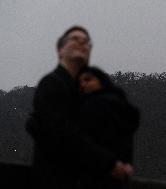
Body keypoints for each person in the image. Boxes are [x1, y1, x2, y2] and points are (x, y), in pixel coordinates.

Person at [26, 26, 133, 189]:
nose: (82, 43)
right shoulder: (52, 83)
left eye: (86, 42)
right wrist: (110, 164)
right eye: (75, 39)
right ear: (60, 50)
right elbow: (63, 132)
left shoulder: (89, 92)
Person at [77, 66, 140, 189]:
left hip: (97, 174)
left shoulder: (93, 105)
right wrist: (125, 163)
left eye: (88, 79)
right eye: (80, 83)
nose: (83, 85)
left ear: (101, 80)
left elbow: (87, 141)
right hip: (118, 173)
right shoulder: (122, 104)